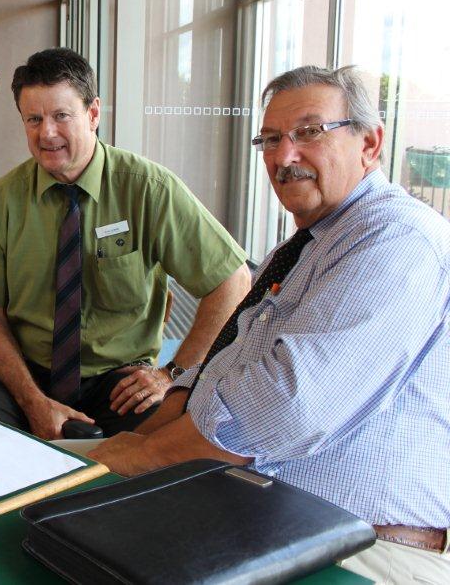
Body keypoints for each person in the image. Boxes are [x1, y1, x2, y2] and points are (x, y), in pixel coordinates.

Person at [89, 65, 450, 583]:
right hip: (257, 513)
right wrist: (117, 449)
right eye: (272, 139)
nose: (284, 157)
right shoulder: (303, 247)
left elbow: (284, 404)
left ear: (370, 143)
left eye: (309, 132)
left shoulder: (397, 241)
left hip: (360, 548)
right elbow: (216, 373)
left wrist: (139, 458)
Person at [0, 48, 250, 439]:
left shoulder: (148, 189)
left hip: (121, 383)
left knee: (172, 438)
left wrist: (173, 374)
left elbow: (232, 281)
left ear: (93, 113)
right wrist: (33, 401)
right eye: (34, 119)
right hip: (28, 375)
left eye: (62, 115)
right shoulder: (2, 202)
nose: (47, 132)